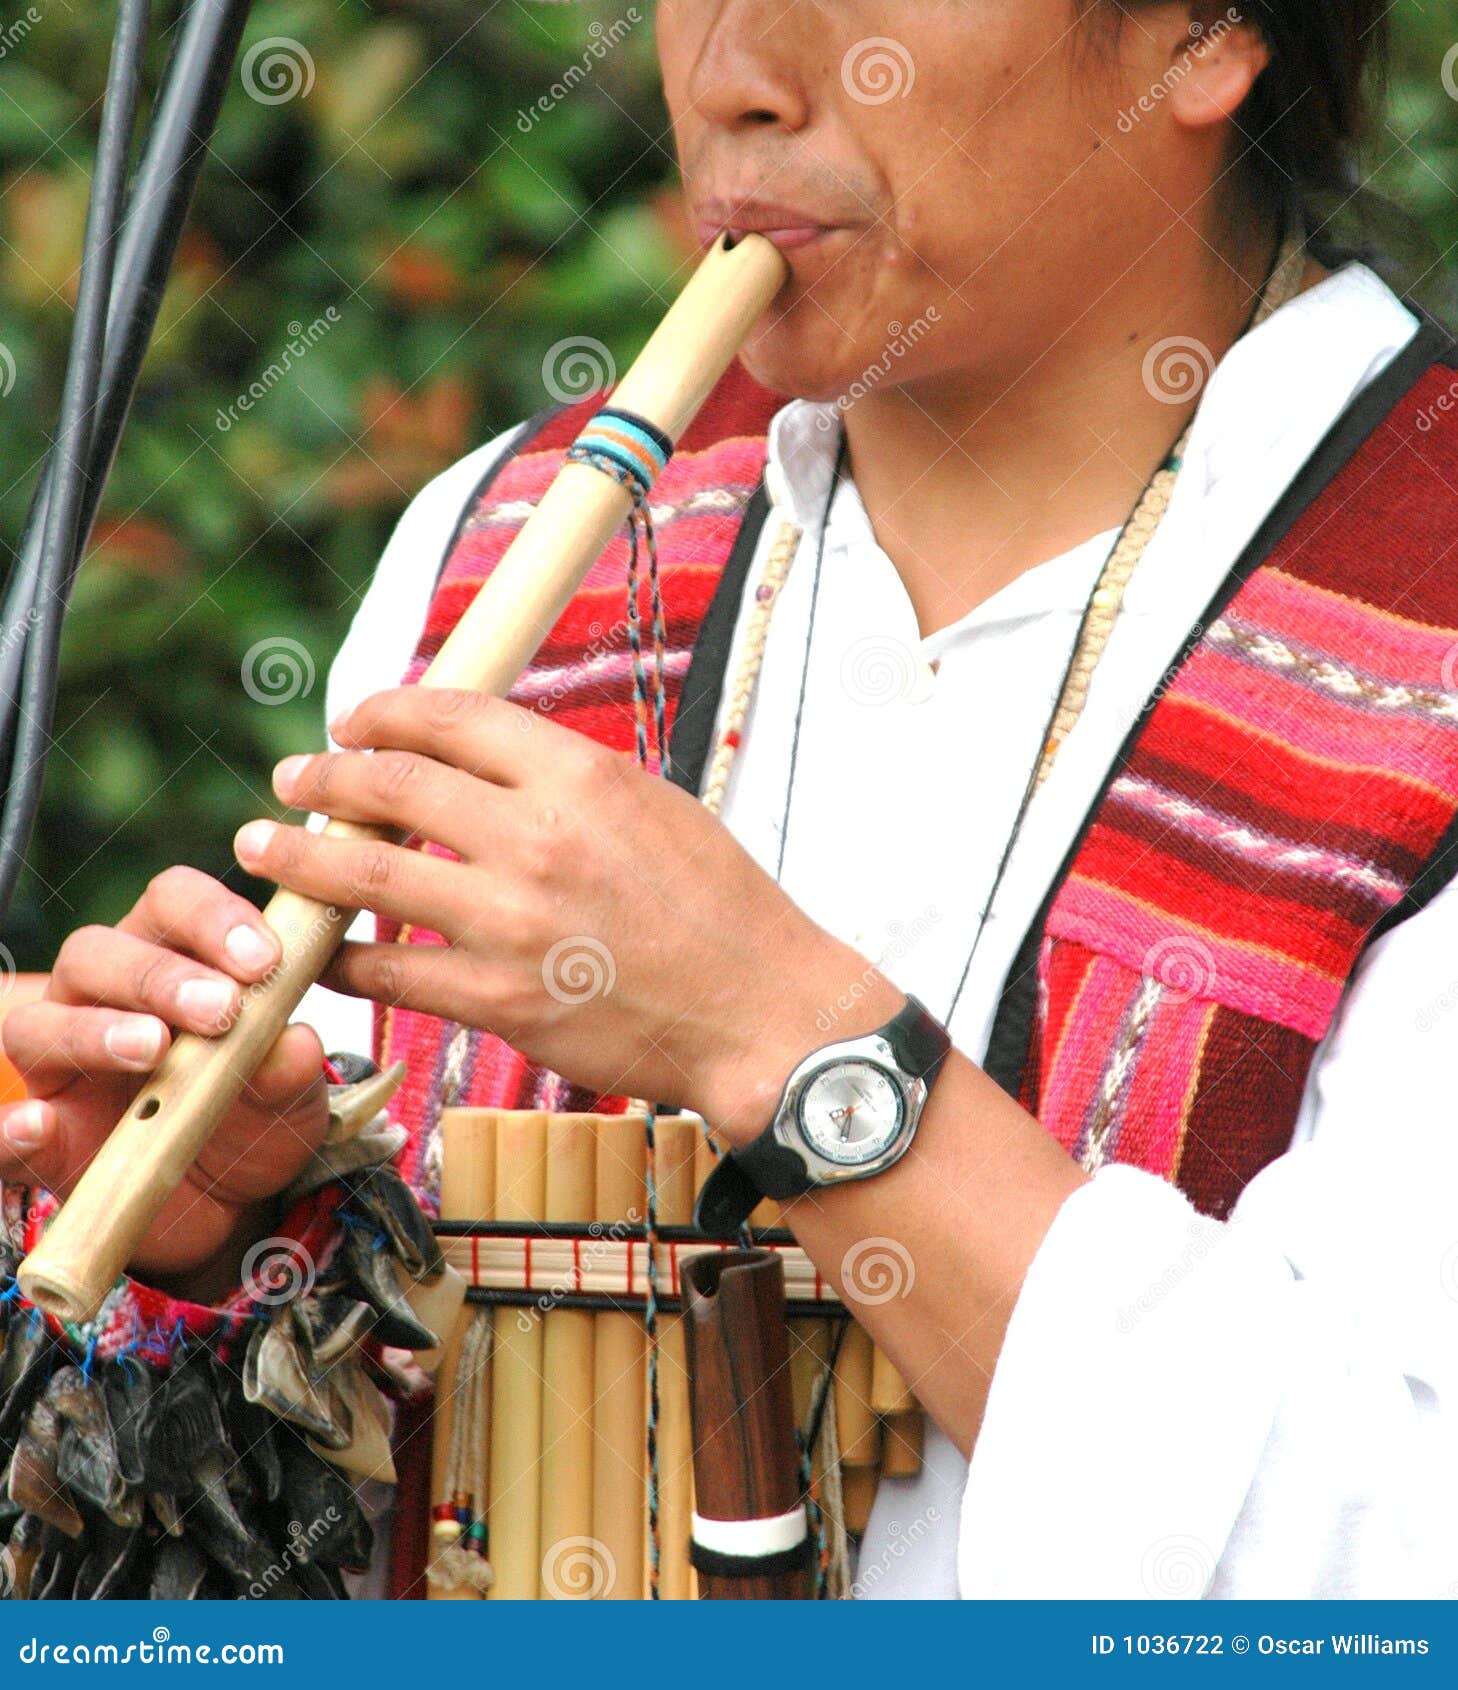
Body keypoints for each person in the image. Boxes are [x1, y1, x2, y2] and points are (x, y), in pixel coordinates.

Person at [3, 0, 1456, 1600]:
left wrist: (784, 1042)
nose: (729, 73)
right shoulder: (488, 551)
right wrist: (230, 1242)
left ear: (1203, 35)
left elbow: (1395, 1568)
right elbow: (342, 1539)